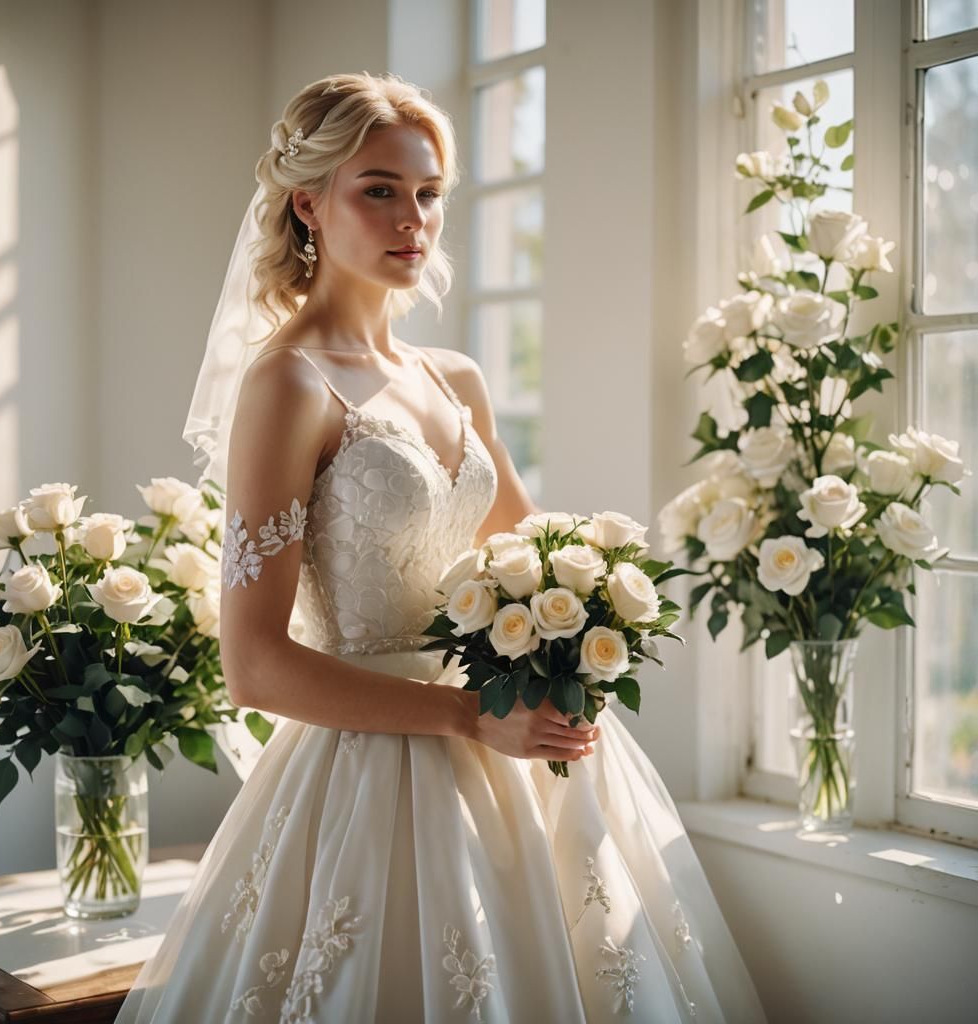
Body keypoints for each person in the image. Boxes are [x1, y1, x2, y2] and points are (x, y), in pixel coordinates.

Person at [114, 71, 768, 1024]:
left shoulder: (455, 378)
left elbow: (527, 557)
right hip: (375, 772)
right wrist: (468, 718)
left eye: (427, 194)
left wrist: (584, 634)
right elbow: (252, 665)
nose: (410, 218)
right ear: (309, 202)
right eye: (378, 188)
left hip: (519, 755)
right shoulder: (288, 387)